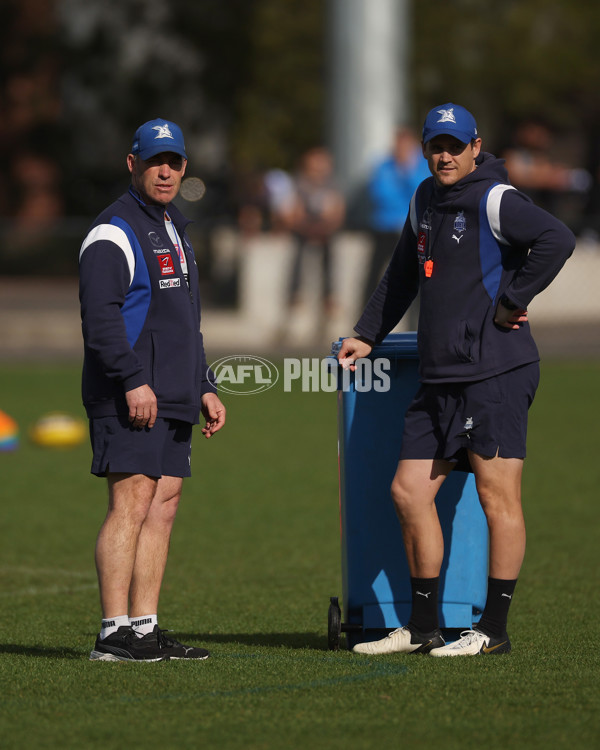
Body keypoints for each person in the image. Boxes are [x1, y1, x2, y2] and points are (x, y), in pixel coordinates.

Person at [337, 103, 575, 657]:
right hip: (440, 376)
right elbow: (401, 274)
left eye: (454, 145)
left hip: (496, 371)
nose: (443, 155)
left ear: (475, 147)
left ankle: (493, 631)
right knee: (407, 490)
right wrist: (367, 334)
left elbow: (556, 239)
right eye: (434, 146)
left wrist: (512, 299)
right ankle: (422, 630)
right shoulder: (423, 200)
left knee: (498, 499)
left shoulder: (496, 198)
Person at [79, 118, 226, 662]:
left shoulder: (175, 229)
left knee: (163, 504)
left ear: (185, 168)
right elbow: (100, 319)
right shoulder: (113, 231)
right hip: (130, 394)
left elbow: (186, 320)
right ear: (132, 165)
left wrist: (204, 384)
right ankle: (112, 634)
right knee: (132, 500)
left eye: (174, 162)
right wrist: (132, 378)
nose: (164, 171)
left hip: (173, 393)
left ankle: (143, 628)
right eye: (153, 161)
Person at [365, 126, 431, 306]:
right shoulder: (383, 166)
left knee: (417, 275)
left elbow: (421, 193)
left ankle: (416, 318)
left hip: (413, 227)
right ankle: (366, 313)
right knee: (375, 274)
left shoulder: (422, 165)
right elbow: (379, 195)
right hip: (385, 227)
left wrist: (407, 172)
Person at [287, 147, 346, 314]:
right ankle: (294, 293)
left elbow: (337, 212)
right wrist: (308, 226)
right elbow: (294, 212)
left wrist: (325, 226)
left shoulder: (332, 185)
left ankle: (329, 296)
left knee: (330, 253)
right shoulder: (299, 183)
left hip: (325, 229)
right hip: (305, 228)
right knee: (298, 252)